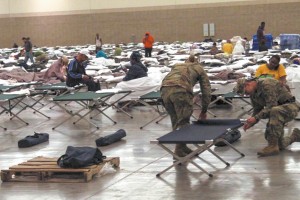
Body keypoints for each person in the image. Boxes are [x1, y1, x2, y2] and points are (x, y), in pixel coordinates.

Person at [234, 77, 300, 157]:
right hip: (277, 112)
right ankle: (295, 136)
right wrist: (252, 122)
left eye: (245, 92)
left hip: (290, 107)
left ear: (248, 84)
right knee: (279, 144)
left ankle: (272, 146)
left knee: (275, 110)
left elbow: (271, 106)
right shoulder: (253, 93)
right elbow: (257, 109)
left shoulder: (267, 84)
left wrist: (256, 118)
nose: (246, 94)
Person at [160, 55, 211, 157]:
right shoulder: (199, 68)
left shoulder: (177, 66)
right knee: (183, 121)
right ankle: (179, 149)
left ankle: (182, 146)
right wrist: (204, 110)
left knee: (175, 120)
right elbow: (206, 90)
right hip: (180, 90)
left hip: (164, 90)